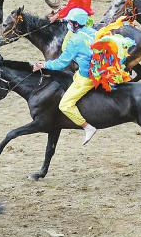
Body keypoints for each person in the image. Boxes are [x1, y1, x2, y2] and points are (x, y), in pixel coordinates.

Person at [32, 8, 99, 145]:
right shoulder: (93, 32)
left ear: (76, 24)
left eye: (70, 22)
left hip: (87, 77)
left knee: (65, 105)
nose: (68, 24)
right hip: (98, 70)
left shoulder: (75, 40)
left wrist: (44, 65)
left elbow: (61, 63)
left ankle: (87, 127)